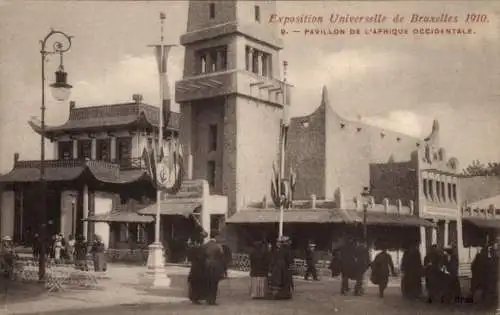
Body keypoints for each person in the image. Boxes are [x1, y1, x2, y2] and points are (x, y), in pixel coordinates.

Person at [202, 232, 225, 305]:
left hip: (206, 265)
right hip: (215, 266)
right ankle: (212, 300)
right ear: (216, 237)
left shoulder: (206, 245)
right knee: (214, 284)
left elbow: (203, 256)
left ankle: (207, 299)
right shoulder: (218, 246)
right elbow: (221, 257)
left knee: (207, 283)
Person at [187, 234, 207, 304]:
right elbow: (204, 258)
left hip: (194, 267)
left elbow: (189, 258)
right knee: (199, 283)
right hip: (201, 268)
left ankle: (193, 297)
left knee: (194, 283)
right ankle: (198, 298)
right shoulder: (203, 249)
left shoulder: (192, 248)